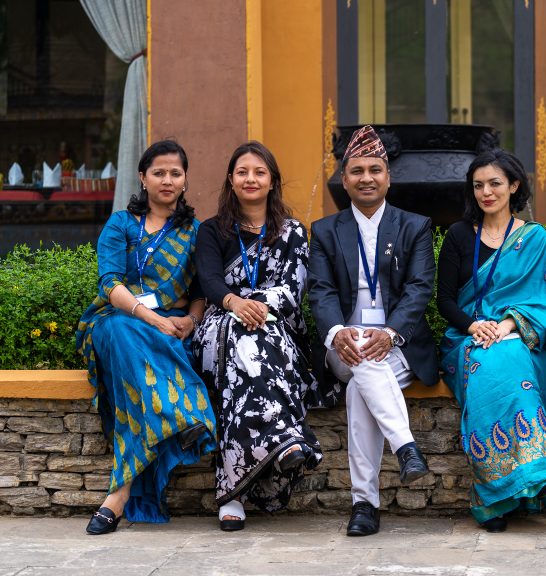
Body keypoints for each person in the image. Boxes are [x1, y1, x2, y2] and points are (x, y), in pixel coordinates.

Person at [75, 140, 216, 535]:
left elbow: (203, 291)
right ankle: (183, 415)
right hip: (118, 318)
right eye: (159, 172)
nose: (167, 180)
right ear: (143, 177)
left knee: (136, 386)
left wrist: (190, 320)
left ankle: (117, 497)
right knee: (123, 332)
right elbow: (109, 284)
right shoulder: (120, 223)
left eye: (175, 173)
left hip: (172, 326)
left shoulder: (196, 232)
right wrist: (153, 320)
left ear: (185, 180)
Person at [192, 141, 334, 531]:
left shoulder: (292, 233)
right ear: (231, 180)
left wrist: (253, 307)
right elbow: (209, 281)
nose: (250, 178)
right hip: (218, 329)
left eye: (259, 172)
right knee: (240, 338)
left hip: (277, 329)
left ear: (272, 181)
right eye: (242, 172)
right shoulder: (211, 230)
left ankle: (231, 495)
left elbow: (292, 290)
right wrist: (235, 304)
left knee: (249, 351)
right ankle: (286, 440)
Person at [308, 125, 439, 537]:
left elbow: (420, 288)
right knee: (362, 357)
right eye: (358, 170)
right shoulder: (326, 231)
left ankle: (364, 504)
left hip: (398, 345)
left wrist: (392, 332)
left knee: (359, 388)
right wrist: (335, 333)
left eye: (375, 169)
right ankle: (406, 447)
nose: (367, 177)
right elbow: (322, 291)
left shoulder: (414, 226)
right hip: (343, 342)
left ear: (388, 177)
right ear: (344, 179)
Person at [438, 149, 546, 533]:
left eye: (495, 183)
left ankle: (514, 483)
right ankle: (495, 492)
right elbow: (445, 299)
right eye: (478, 185)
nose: (486, 192)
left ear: (514, 186)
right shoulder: (459, 235)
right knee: (487, 360)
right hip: (465, 339)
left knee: (507, 354)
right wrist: (473, 326)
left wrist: (507, 326)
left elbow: (541, 300)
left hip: (517, 336)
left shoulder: (533, 238)